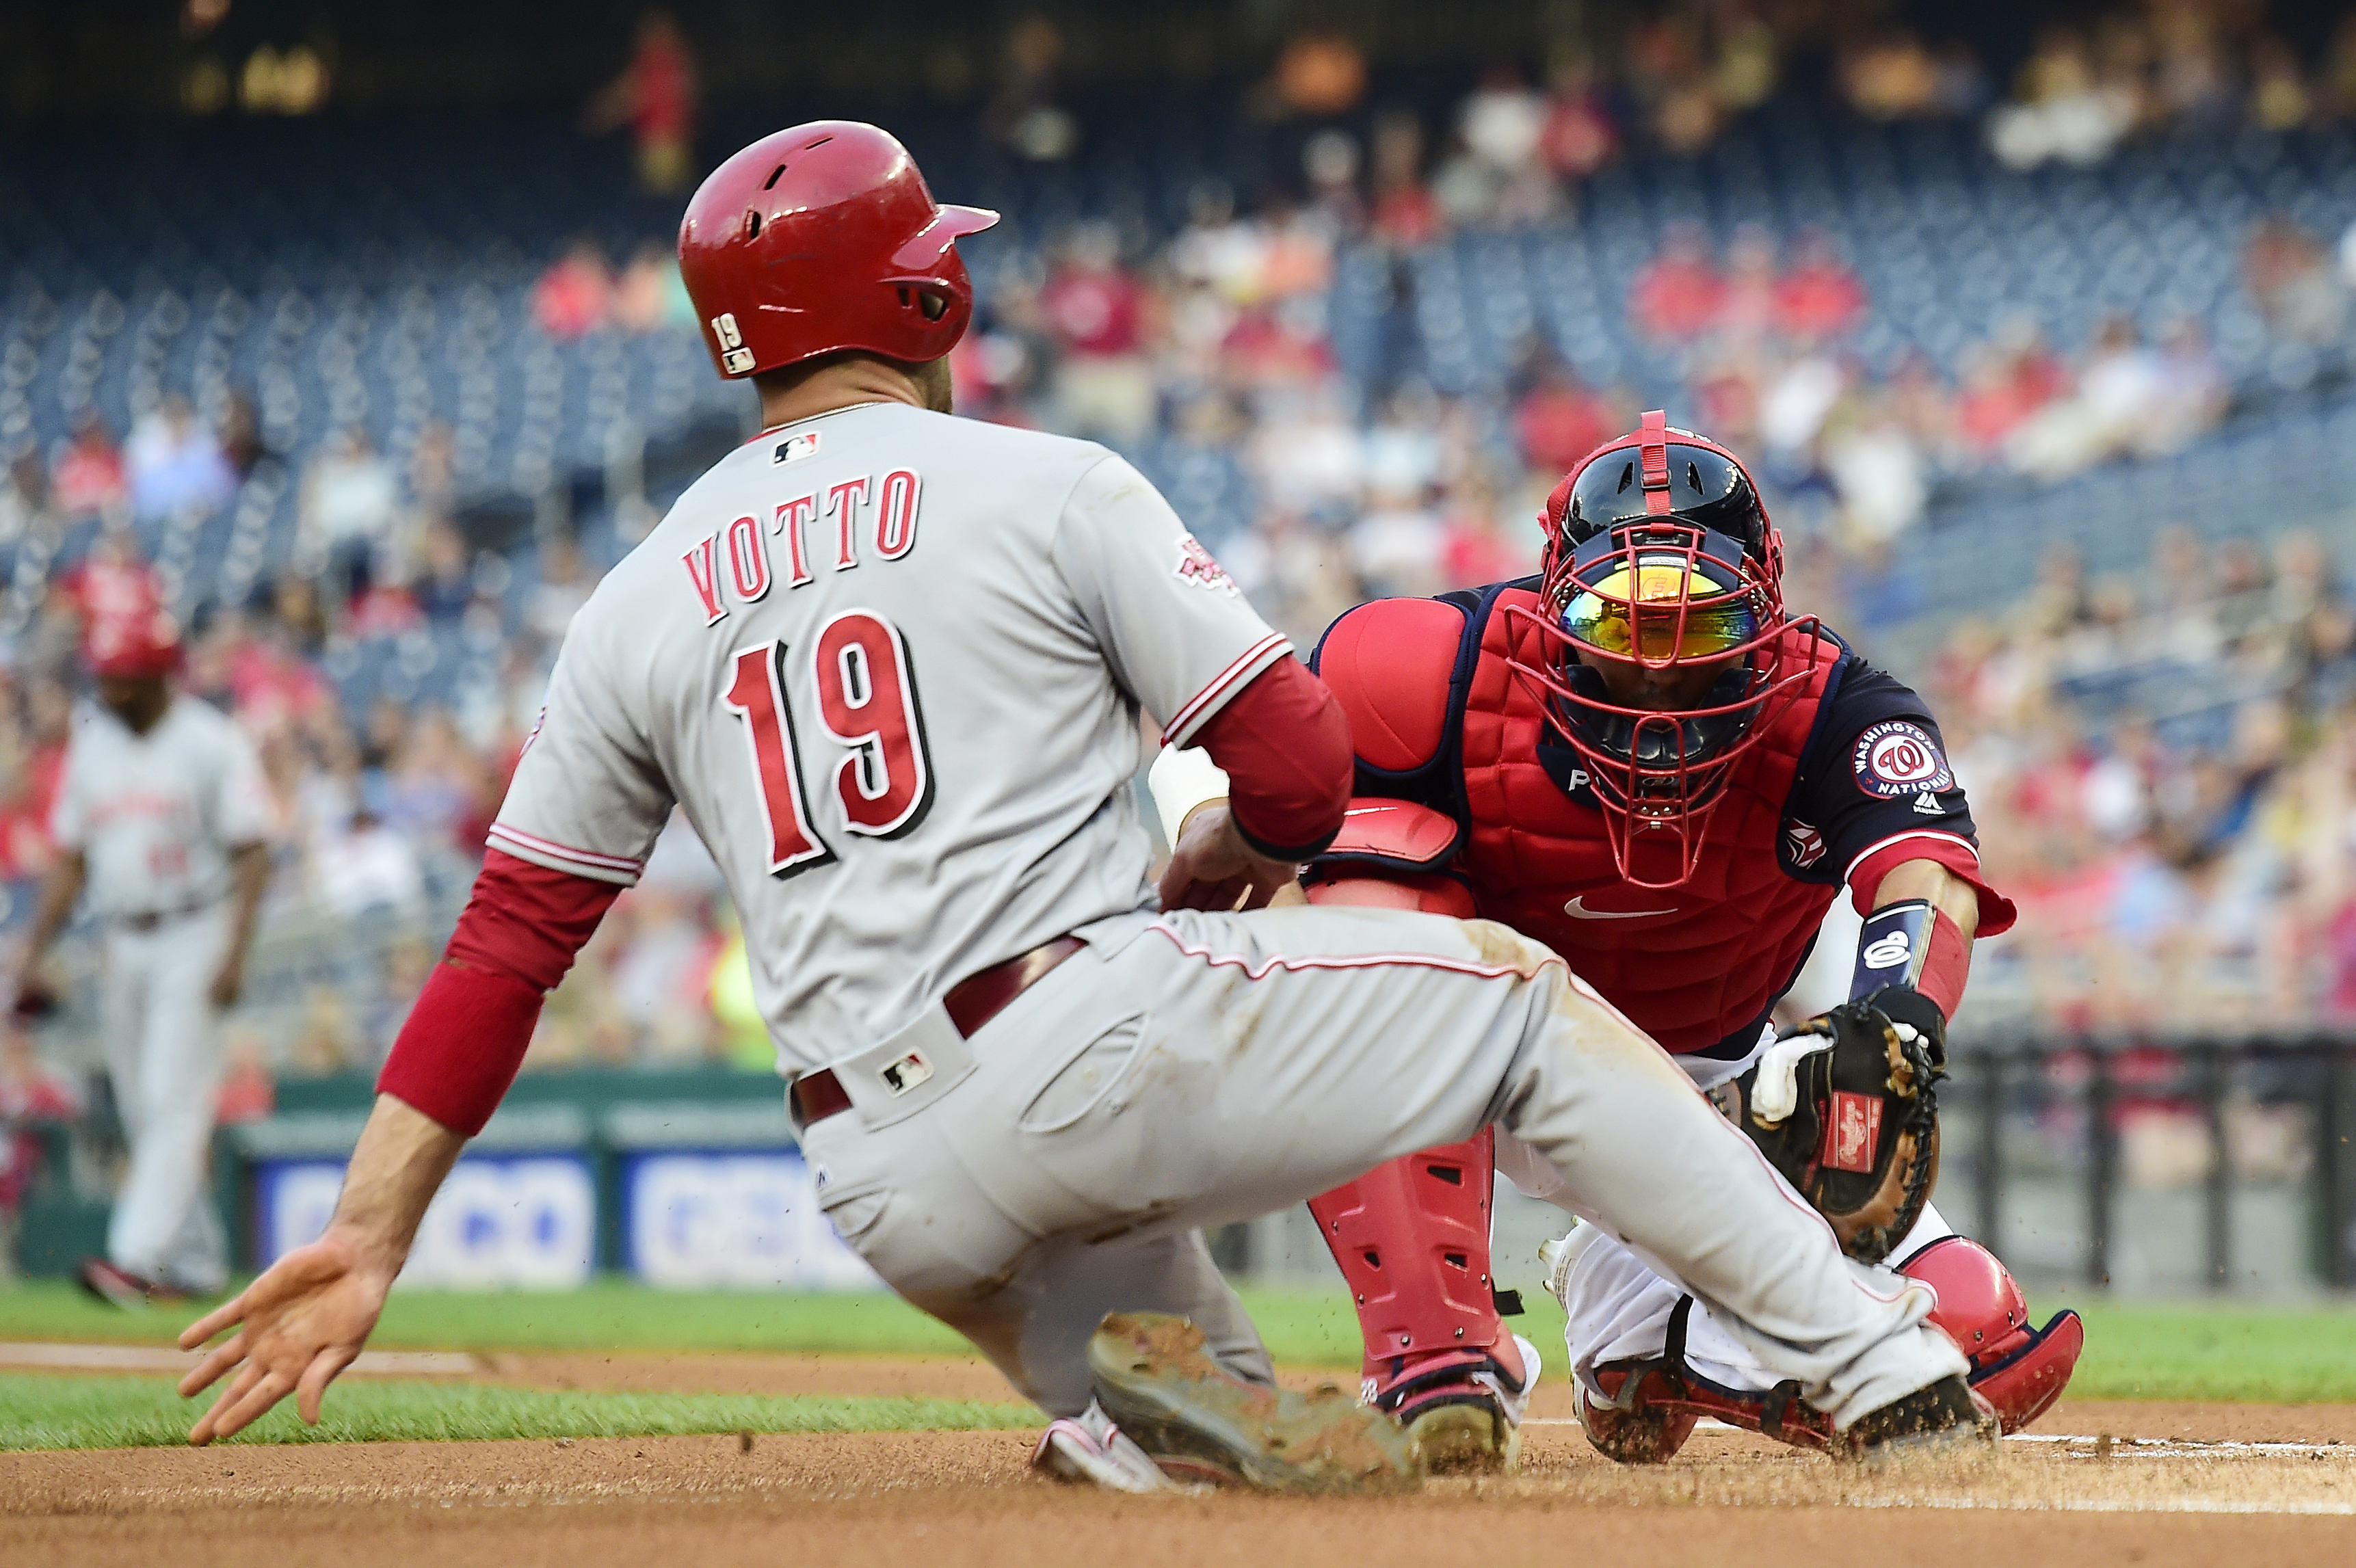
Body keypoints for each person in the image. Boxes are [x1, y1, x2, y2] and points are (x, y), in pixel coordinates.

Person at [174, 123, 1987, 1490]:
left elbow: (511, 938)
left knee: (1216, 1436)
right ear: (920, 296)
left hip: (877, 1176)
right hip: (1079, 1040)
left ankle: (1137, 1402)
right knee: (1514, 1005)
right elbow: (1294, 763)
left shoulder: (639, 590)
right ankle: (1875, 1357)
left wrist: (374, 1224)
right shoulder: (1037, 484)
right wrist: (1232, 864)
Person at [1153, 414, 2081, 1471]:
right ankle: (1436, 1355)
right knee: (1364, 873)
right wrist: (1213, 830)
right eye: (1620, 619)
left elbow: (1925, 872)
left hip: (1711, 1084)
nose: (1655, 675)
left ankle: (1648, 1332)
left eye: (1699, 630)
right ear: (1555, 606)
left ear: (1765, 620)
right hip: (1480, 1062)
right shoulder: (1424, 669)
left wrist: (1895, 1016)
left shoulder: (1839, 708)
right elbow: (1241, 769)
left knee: (1975, 1333)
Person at [11, 597, 272, 1306]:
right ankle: (194, 1263)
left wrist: (234, 954)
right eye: (104, 673)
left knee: (172, 1096)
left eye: (123, 674)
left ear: (160, 674)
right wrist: (33, 947)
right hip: (122, 937)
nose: (108, 685)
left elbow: (253, 851)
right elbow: (70, 857)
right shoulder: (95, 745)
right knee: (140, 1106)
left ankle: (135, 1256)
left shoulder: (211, 740)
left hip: (196, 926)